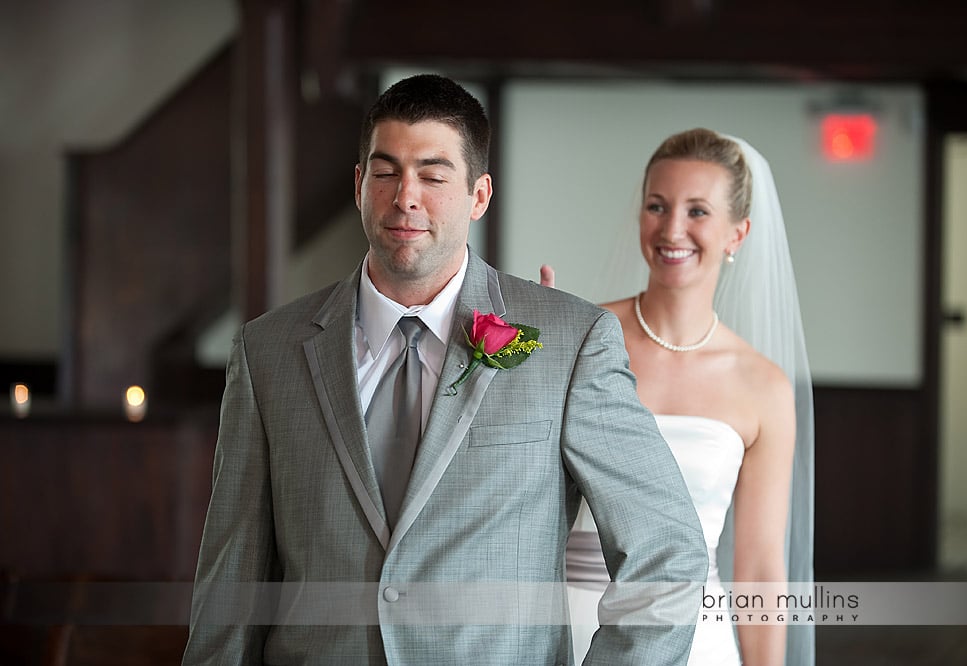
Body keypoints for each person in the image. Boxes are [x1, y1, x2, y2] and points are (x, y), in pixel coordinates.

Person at [183, 74, 708, 665]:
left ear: (479, 195)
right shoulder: (267, 350)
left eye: (433, 176)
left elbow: (667, 552)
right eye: (385, 173)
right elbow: (231, 579)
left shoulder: (570, 342)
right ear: (359, 185)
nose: (405, 197)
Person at [546, 128, 815, 665]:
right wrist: (536, 353)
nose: (672, 229)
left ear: (738, 234)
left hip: (695, 636)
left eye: (698, 212)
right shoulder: (576, 335)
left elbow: (761, 567)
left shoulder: (762, 386)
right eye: (657, 206)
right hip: (566, 626)